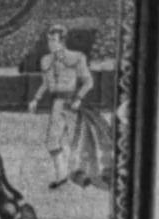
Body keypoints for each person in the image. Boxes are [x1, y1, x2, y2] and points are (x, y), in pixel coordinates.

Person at [26, 24, 97, 189]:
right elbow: (45, 83)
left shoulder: (76, 57)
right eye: (49, 40)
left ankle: (82, 175)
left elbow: (89, 82)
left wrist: (79, 98)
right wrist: (36, 99)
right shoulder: (46, 60)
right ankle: (62, 175)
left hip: (72, 104)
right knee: (52, 141)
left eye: (54, 40)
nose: (50, 43)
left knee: (75, 141)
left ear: (62, 41)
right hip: (57, 104)